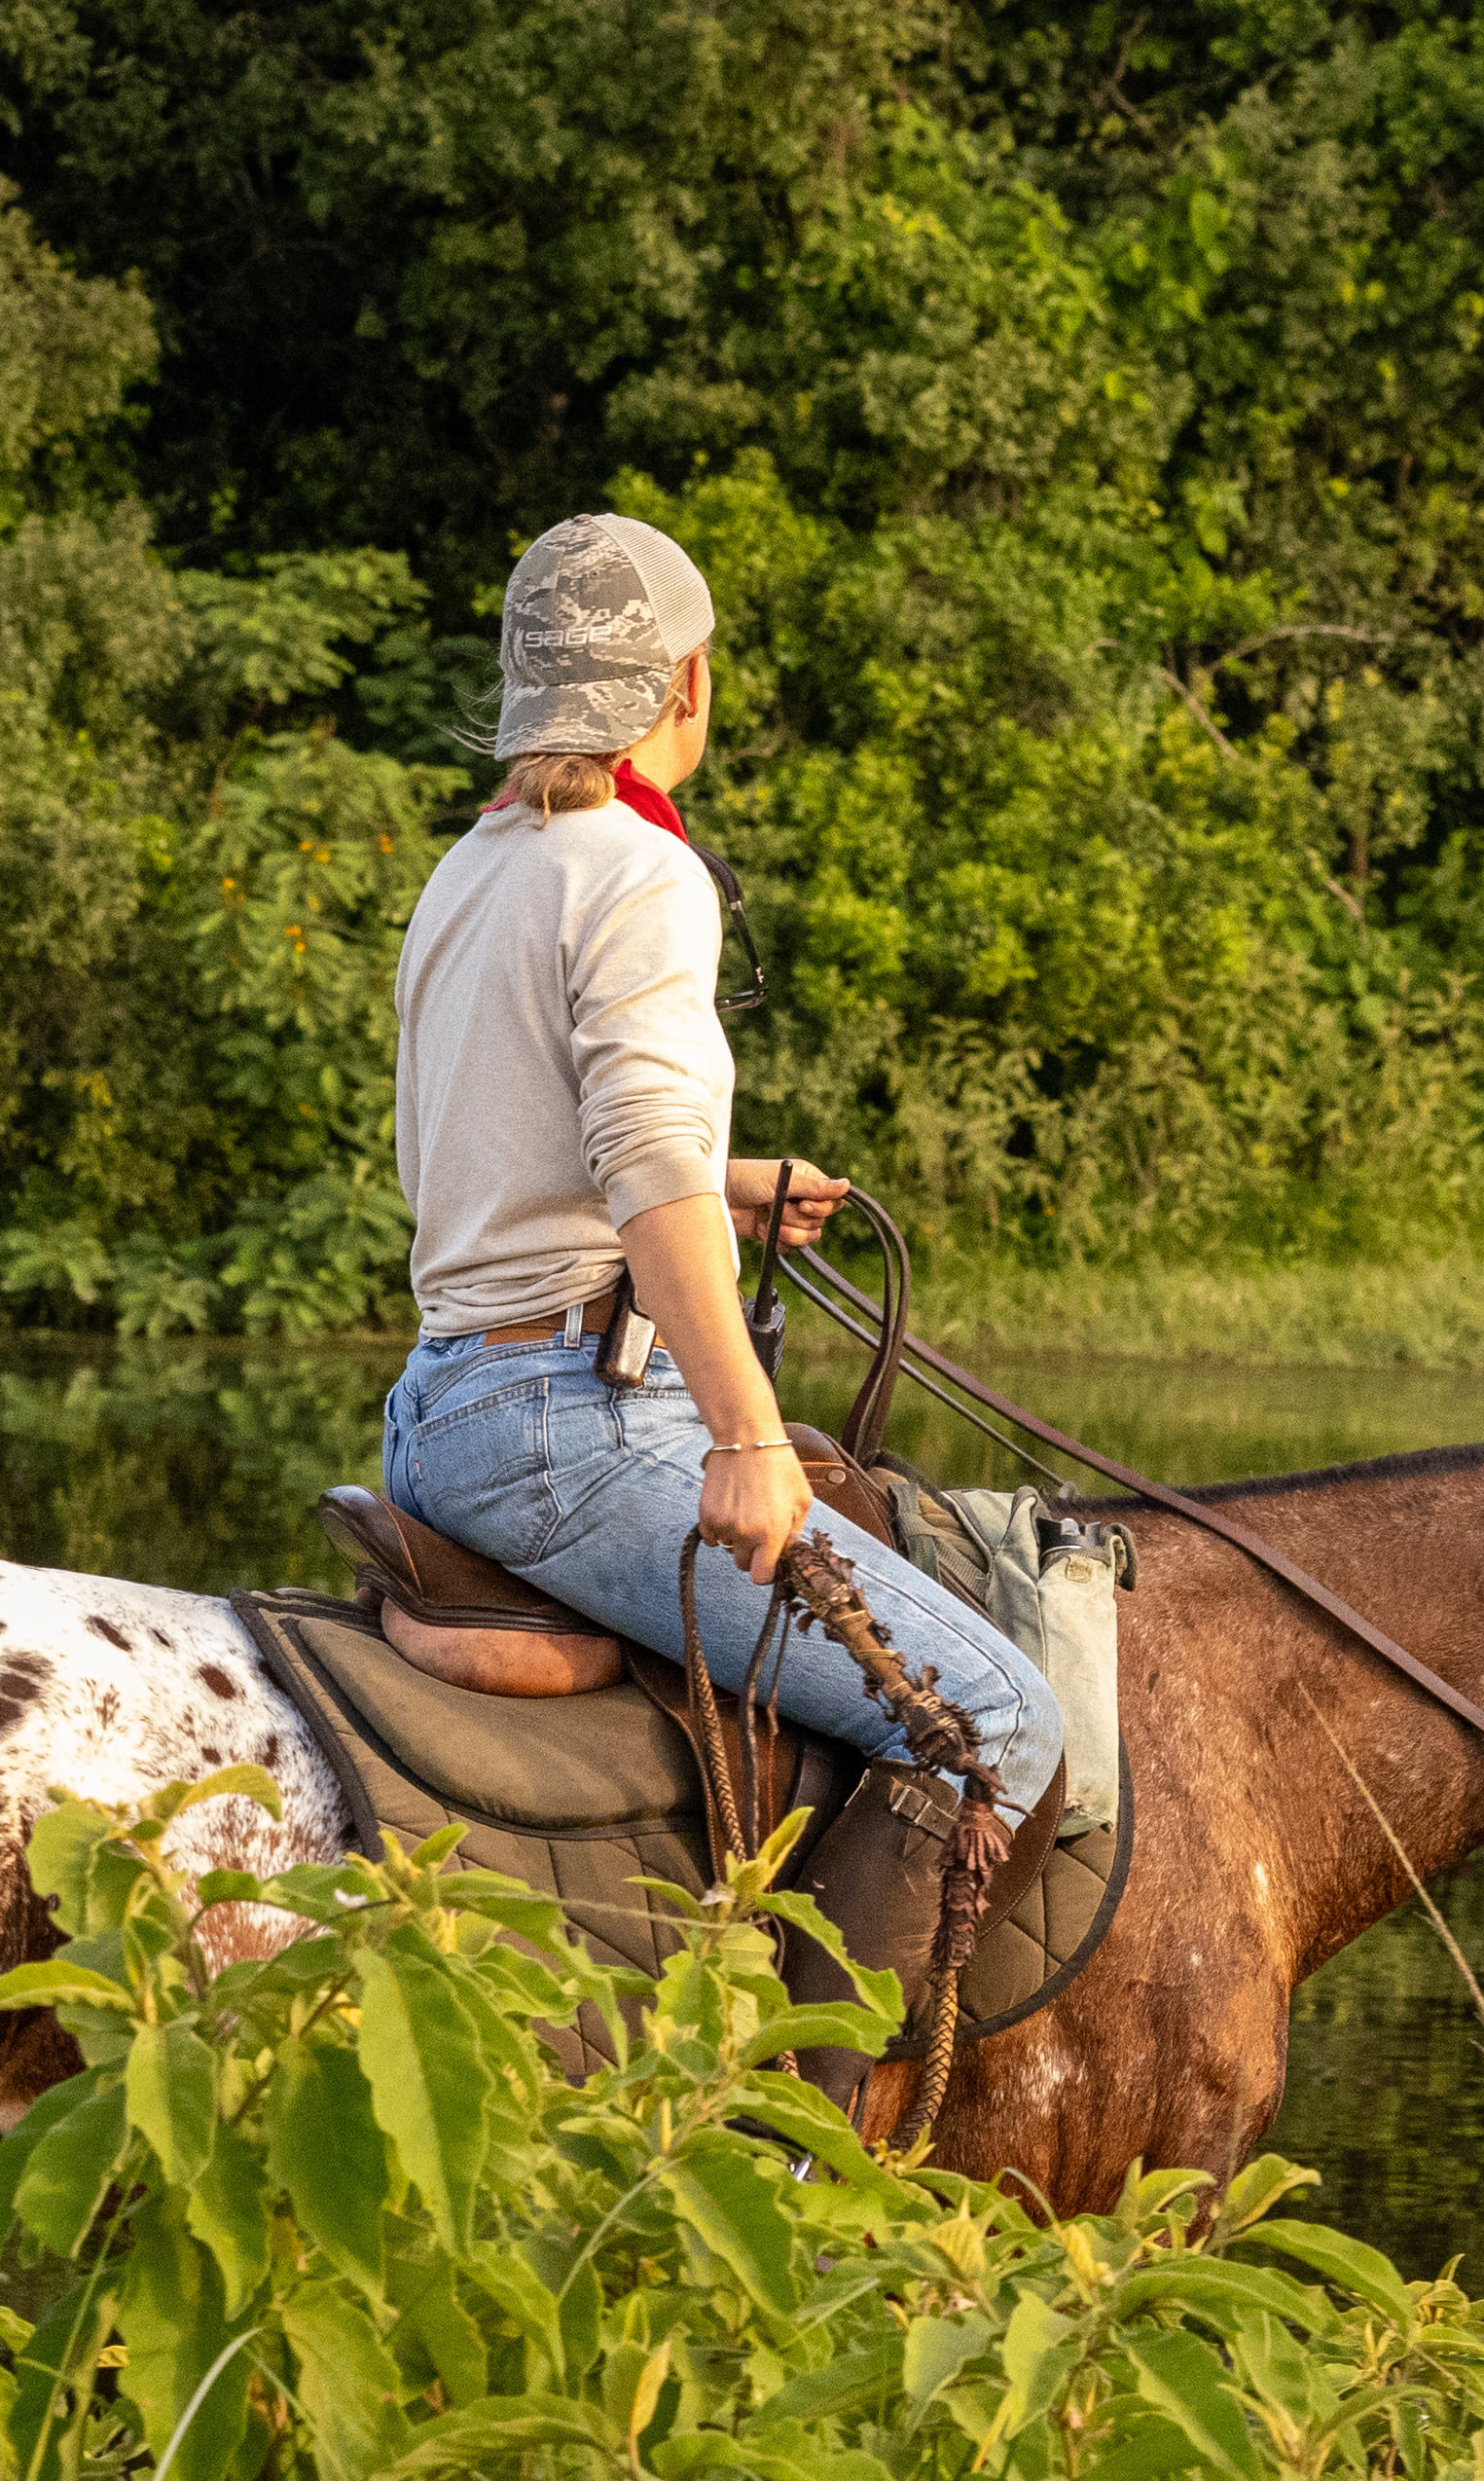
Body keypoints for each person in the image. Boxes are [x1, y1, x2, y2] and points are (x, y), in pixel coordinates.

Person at [376, 509, 1066, 1878]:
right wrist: (747, 1441)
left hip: (442, 1399)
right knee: (998, 1722)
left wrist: (727, 1186)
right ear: (688, 685)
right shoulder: (641, 869)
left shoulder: (472, 866)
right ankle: (803, 2093)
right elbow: (640, 1170)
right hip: (560, 1426)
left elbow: (492, 1145)